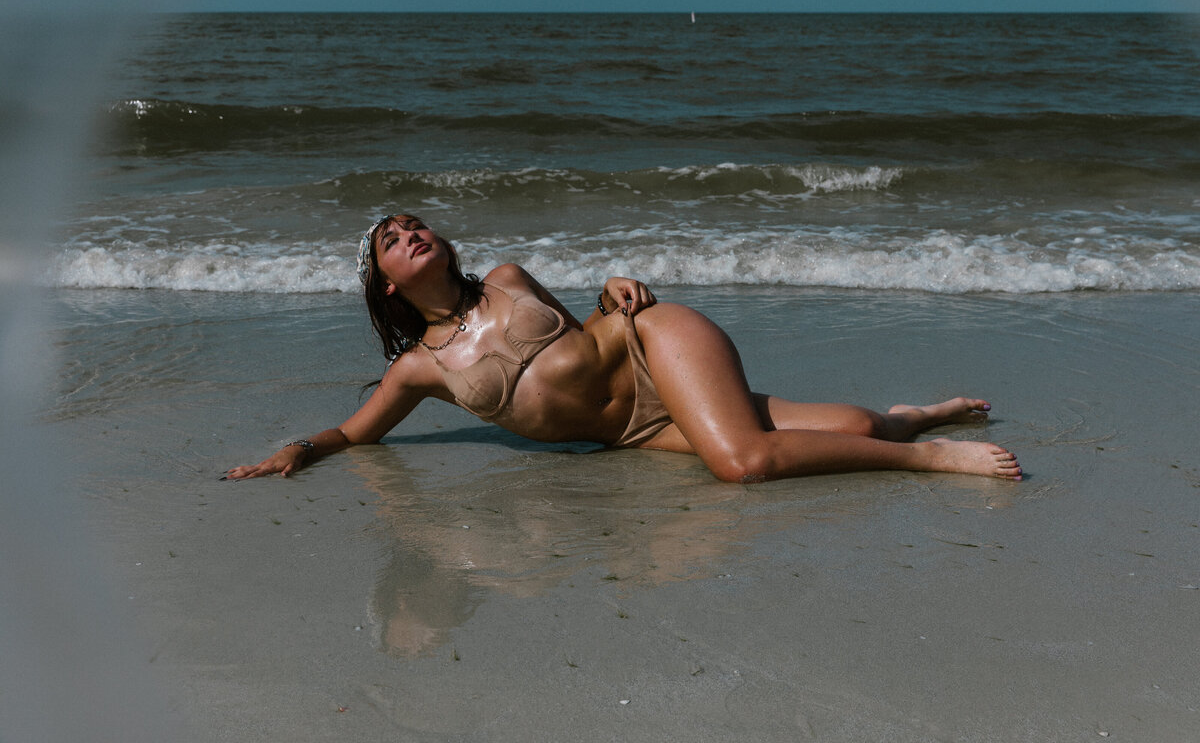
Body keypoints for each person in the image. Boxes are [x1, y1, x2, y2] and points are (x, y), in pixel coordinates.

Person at [225, 214, 1022, 484]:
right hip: (636, 430)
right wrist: (297, 450)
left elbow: (587, 329)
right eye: (393, 241)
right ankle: (913, 419)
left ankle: (933, 459)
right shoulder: (419, 370)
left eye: (416, 225)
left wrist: (619, 288)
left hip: (654, 348)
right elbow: (356, 433)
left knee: (743, 464)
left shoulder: (506, 277)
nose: (412, 235)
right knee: (854, 428)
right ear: (387, 286)